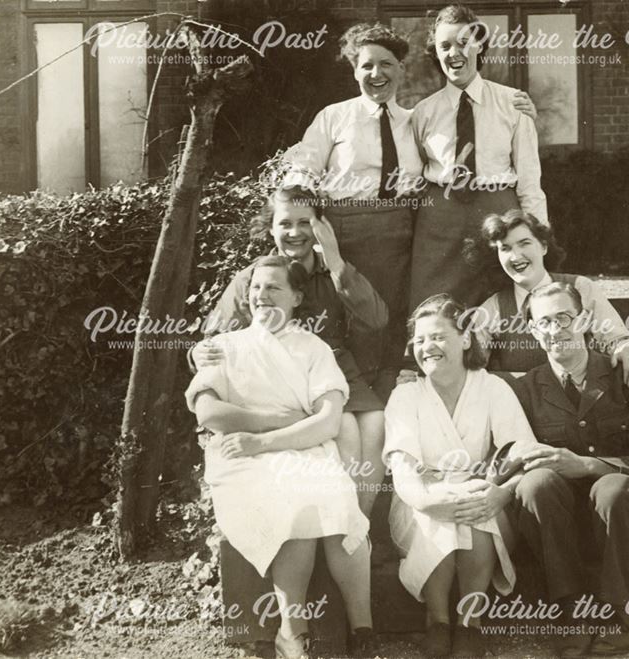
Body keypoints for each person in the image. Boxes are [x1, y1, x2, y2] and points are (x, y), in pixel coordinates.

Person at [285, 22, 538, 396]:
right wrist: (297, 219)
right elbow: (303, 167)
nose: (377, 74)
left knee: (392, 321)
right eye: (367, 65)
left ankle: (395, 400)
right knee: (351, 320)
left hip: (400, 237)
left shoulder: (415, 119)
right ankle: (344, 399)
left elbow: (453, 154)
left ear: (402, 69)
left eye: (386, 64)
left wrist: (525, 110)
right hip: (347, 232)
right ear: (354, 70)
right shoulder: (334, 116)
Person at [185, 255, 374, 658]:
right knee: (296, 505)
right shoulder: (223, 347)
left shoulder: (314, 348)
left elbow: (326, 423)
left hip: (302, 448)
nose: (262, 296)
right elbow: (210, 414)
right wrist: (273, 423)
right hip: (242, 460)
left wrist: (265, 440)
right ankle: (292, 632)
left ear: (296, 296)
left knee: (342, 508)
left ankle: (363, 630)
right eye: (256, 288)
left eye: (273, 288)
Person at [507, 282, 629, 657]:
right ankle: (570, 611)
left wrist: (590, 466)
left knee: (614, 488)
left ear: (585, 320)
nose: (555, 330)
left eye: (564, 318)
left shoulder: (623, 375)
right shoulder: (526, 389)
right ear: (532, 330)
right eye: (543, 322)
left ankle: (617, 614)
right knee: (535, 484)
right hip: (562, 527)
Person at [193, 185, 387, 518]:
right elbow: (215, 338)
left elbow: (377, 319)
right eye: (285, 224)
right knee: (343, 430)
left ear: (319, 226)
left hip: (335, 374)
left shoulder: (333, 271)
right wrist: (197, 354)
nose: (295, 232)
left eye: (304, 222)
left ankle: (359, 523)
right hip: (280, 377)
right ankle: (334, 524)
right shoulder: (257, 278)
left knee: (375, 424)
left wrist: (336, 261)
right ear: (271, 228)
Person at [383, 294, 540, 657]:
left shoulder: (492, 388)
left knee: (471, 502)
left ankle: (470, 622)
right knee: (448, 502)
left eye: (438, 336)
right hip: (416, 500)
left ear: (465, 338)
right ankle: (437, 619)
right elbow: (403, 468)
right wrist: (428, 500)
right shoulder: (405, 396)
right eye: (420, 340)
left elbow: (524, 454)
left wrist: (502, 493)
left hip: (486, 497)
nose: (427, 347)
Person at [409, 4, 549, 311]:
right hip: (440, 219)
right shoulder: (423, 112)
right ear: (436, 52)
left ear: (479, 46)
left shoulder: (512, 103)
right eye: (445, 45)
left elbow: (529, 177)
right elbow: (411, 173)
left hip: (497, 212)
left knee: (501, 296)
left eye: (463, 42)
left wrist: (537, 233)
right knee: (433, 301)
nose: (454, 53)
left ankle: (500, 359)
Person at [467, 209, 629, 385]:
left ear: (544, 247)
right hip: (525, 410)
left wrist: (626, 349)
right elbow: (469, 367)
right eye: (505, 248)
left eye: (524, 243)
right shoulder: (494, 308)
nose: (516, 256)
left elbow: (618, 338)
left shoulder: (580, 287)